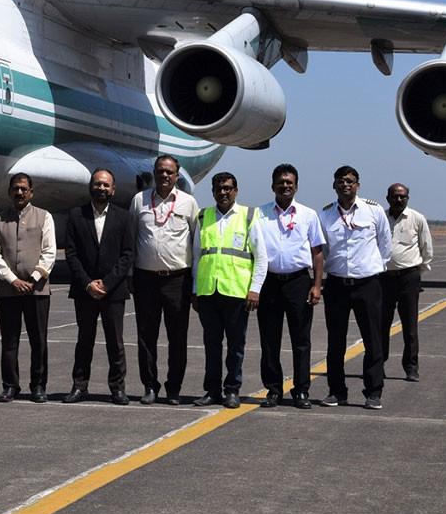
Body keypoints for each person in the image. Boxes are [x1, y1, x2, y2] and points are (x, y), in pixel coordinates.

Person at [317, 165, 391, 410]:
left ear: (358, 184)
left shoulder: (373, 210)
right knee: (335, 341)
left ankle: (374, 392)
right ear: (334, 185)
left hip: (367, 284)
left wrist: (374, 267)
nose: (345, 185)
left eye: (350, 181)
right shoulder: (325, 214)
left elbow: (385, 243)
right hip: (337, 285)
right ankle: (337, 392)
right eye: (340, 181)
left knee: (373, 339)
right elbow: (323, 249)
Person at [128, 154, 199, 405]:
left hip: (177, 280)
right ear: (154, 173)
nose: (165, 175)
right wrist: (130, 276)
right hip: (145, 279)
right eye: (160, 171)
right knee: (146, 336)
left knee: (177, 337)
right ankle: (150, 386)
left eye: (169, 172)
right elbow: (131, 239)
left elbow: (196, 243)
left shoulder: (188, 203)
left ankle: (173, 388)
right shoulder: (139, 200)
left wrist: (195, 282)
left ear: (177, 176)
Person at [192, 172, 265, 409]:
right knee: (211, 344)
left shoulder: (248, 216)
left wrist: (254, 289)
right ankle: (212, 391)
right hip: (208, 291)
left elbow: (261, 257)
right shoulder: (203, 216)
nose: (223, 192)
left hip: (236, 292)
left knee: (235, 345)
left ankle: (232, 390)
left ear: (235, 191)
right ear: (213, 191)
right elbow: (196, 256)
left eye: (227, 188)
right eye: (219, 188)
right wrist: (195, 289)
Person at [255, 163, 325, 409]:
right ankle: (273, 390)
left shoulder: (308, 215)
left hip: (298, 282)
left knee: (301, 340)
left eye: (289, 183)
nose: (285, 186)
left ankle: (301, 390)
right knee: (269, 340)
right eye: (281, 182)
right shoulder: (259, 214)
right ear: (272, 185)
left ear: (296, 186)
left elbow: (317, 252)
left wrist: (317, 285)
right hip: (269, 283)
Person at [63, 168, 134, 405]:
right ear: (90, 186)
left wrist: (107, 283)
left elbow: (127, 254)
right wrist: (87, 283)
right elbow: (71, 253)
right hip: (85, 291)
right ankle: (79, 386)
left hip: (113, 291)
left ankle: (117, 388)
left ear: (113, 189)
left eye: (106, 185)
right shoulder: (76, 215)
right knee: (84, 341)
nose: (101, 188)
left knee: (115, 342)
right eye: (97, 184)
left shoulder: (124, 217)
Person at [0, 173, 56, 402]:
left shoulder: (44, 217)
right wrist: (12, 280)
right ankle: (10, 385)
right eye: (15, 188)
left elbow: (49, 252)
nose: (19, 192)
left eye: (23, 189)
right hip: (8, 291)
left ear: (31, 192)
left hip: (37, 290)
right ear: (9, 192)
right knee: (9, 341)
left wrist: (34, 278)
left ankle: (38, 386)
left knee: (39, 340)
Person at [382, 183, 433, 383]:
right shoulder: (380, 218)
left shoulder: (417, 218)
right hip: (384, 279)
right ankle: (379, 365)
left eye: (402, 196)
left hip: (408, 278)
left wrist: (417, 273)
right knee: (381, 325)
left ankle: (411, 367)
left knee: (410, 326)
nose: (398, 200)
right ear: (387, 198)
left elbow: (426, 248)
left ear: (408, 198)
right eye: (395, 196)